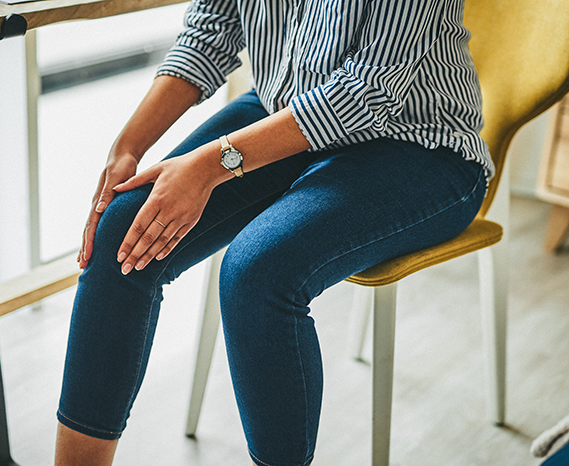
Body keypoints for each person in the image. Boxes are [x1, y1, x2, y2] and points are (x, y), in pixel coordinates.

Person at [54, 0, 493, 464]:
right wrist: (127, 146)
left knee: (257, 274)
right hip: (284, 109)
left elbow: (369, 91)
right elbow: (212, 30)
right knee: (123, 229)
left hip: (418, 144)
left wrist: (210, 165)